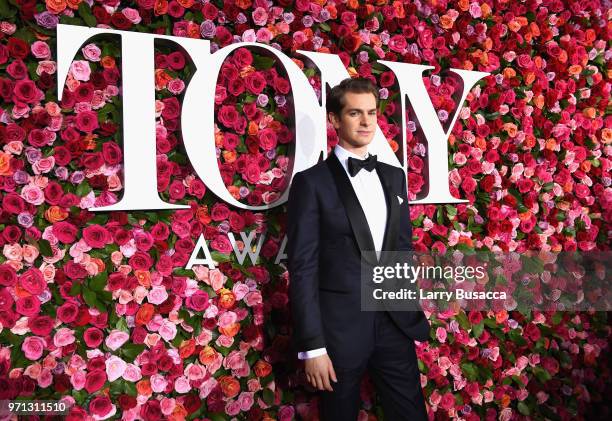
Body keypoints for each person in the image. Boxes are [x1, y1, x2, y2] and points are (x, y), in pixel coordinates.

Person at [287, 77, 431, 421]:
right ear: (335, 120)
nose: (367, 122)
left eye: (371, 113)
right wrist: (313, 347)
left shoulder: (394, 176)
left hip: (395, 325)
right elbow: (302, 267)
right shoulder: (311, 183)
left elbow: (401, 249)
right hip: (339, 332)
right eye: (355, 113)